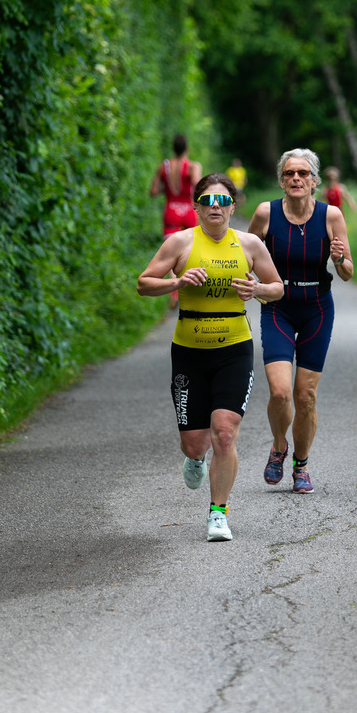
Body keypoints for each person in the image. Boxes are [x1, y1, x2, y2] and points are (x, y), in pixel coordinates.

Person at [137, 172, 283, 541]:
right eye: (207, 201)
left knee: (225, 433)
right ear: (197, 207)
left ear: (233, 207)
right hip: (189, 353)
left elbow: (277, 288)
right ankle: (194, 458)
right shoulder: (180, 243)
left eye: (222, 201)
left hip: (234, 349)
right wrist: (177, 282)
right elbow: (144, 283)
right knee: (195, 442)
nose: (215, 207)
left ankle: (218, 513)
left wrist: (257, 289)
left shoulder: (249, 244)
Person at [248, 148, 354, 494]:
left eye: (303, 173)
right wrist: (252, 284)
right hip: (277, 306)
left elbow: (348, 272)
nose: (296, 178)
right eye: (289, 173)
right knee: (280, 393)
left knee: (305, 395)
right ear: (281, 181)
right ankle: (279, 446)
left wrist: (339, 259)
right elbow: (245, 256)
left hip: (316, 309)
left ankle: (301, 464)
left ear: (314, 181)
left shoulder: (331, 215)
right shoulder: (265, 213)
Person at [149, 134, 202, 308]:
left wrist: (167, 189)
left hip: (171, 210)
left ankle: (174, 293)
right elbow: (198, 187)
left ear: (173, 148)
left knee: (171, 254)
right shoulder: (193, 166)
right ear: (187, 148)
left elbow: (153, 191)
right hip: (188, 211)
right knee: (191, 249)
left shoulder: (163, 167)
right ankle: (192, 288)